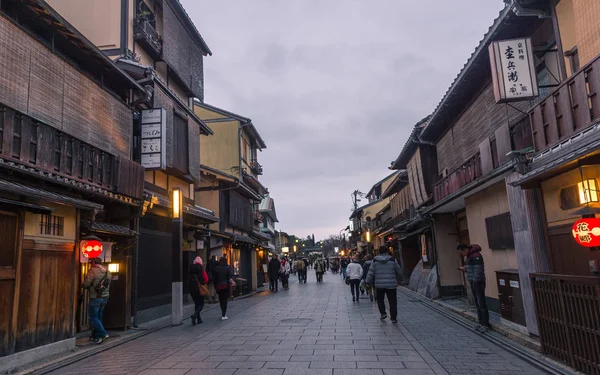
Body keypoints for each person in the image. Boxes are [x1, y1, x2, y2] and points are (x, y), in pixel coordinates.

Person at [458, 244, 490, 332]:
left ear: (465, 249)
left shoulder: (476, 256)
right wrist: (465, 268)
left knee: (481, 303)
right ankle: (481, 322)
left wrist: (475, 281)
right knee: (477, 303)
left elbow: (479, 269)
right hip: (473, 281)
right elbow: (472, 268)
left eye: (462, 252)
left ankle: (485, 324)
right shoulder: (470, 256)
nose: (462, 255)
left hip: (478, 282)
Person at [366, 246, 402, 323]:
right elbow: (398, 270)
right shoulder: (392, 260)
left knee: (380, 300)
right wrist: (400, 278)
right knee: (392, 301)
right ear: (387, 251)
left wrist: (367, 281)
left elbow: (371, 272)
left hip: (379, 285)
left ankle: (383, 313)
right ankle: (393, 318)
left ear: (379, 252)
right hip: (391, 284)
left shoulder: (375, 260)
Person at [82, 257, 112, 344]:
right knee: (99, 316)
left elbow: (87, 283)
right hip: (105, 296)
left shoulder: (93, 271)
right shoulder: (107, 271)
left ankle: (103, 333)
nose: (91, 264)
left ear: (94, 262)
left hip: (96, 296)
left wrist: (83, 286)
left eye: (91, 262)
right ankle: (96, 336)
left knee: (93, 317)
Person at [188, 256, 208, 325]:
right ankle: (195, 315)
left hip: (192, 289)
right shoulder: (201, 269)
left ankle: (198, 319)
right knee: (201, 304)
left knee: (196, 304)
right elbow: (206, 279)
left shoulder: (190, 270)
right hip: (199, 289)